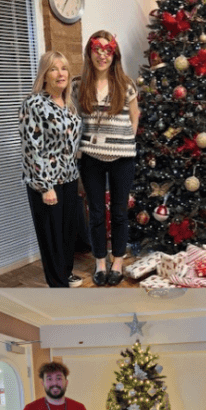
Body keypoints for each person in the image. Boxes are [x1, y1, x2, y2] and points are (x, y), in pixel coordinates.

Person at [71, 32, 138, 287]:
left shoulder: (126, 83)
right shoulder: (79, 85)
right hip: (90, 158)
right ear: (90, 53)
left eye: (107, 50)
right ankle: (101, 262)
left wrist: (127, 140)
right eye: (97, 50)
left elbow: (135, 115)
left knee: (120, 212)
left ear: (114, 54)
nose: (102, 55)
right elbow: (75, 120)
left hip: (123, 158)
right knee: (96, 213)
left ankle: (118, 261)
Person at [19, 51, 83, 287]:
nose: (60, 73)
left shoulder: (68, 104)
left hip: (68, 177)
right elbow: (31, 148)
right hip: (46, 181)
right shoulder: (34, 104)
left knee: (67, 233)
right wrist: (45, 186)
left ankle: (65, 273)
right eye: (54, 69)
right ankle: (57, 285)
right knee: (51, 237)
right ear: (44, 75)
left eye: (64, 68)